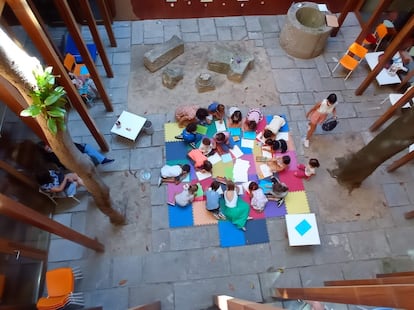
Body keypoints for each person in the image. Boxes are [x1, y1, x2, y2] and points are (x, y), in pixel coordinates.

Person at [38, 141, 114, 167]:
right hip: (72, 159)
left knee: (86, 147)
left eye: (49, 146)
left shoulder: (56, 146)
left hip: (75, 152)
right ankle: (100, 160)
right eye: (48, 149)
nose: (50, 148)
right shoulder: (53, 156)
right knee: (86, 148)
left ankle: (101, 160)